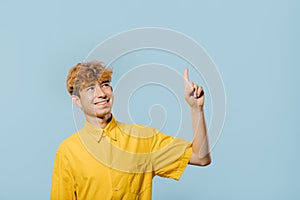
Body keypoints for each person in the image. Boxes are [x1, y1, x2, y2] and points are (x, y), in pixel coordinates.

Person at [50, 61, 211, 200]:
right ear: (77, 101)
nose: (101, 93)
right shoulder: (68, 151)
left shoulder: (143, 138)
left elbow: (201, 157)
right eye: (90, 89)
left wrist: (196, 109)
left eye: (104, 85)